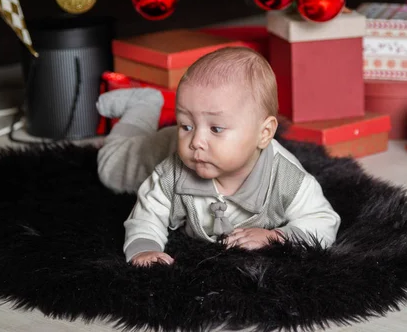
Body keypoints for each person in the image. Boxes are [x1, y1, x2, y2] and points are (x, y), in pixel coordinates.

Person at [97, 47, 340, 267]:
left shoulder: (286, 178)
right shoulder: (173, 170)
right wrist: (145, 248)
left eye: (216, 129)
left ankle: (156, 109)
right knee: (111, 169)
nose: (196, 142)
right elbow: (146, 215)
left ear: (264, 133)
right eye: (186, 125)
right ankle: (143, 105)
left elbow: (322, 220)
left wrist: (278, 236)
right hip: (162, 146)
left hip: (182, 145)